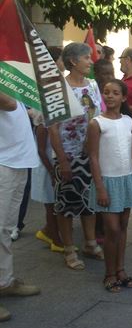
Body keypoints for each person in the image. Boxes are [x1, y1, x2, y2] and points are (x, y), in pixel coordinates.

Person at [49, 42, 104, 270]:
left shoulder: (92, 85)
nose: (91, 62)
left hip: (89, 153)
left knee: (88, 200)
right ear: (73, 61)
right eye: (87, 58)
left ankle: (90, 243)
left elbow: (98, 115)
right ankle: (69, 249)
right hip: (66, 153)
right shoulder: (57, 88)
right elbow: (53, 127)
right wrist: (62, 160)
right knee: (67, 202)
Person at [87, 80, 132, 292]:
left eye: (115, 93)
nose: (110, 96)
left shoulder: (128, 120)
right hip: (108, 181)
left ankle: (121, 269)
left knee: (123, 228)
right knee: (112, 229)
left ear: (124, 97)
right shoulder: (97, 123)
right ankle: (109, 273)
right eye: (106, 92)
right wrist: (100, 186)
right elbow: (93, 156)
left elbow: (131, 149)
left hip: (126, 178)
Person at [0, 93, 41, 322]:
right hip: (3, 162)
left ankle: (5, 281)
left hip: (17, 159)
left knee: (6, 229)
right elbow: (8, 102)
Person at [30, 47, 64, 253]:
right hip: (47, 162)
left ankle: (47, 230)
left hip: (53, 159)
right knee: (51, 203)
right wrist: (52, 171)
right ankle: (55, 239)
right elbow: (41, 147)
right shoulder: (44, 110)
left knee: (55, 201)